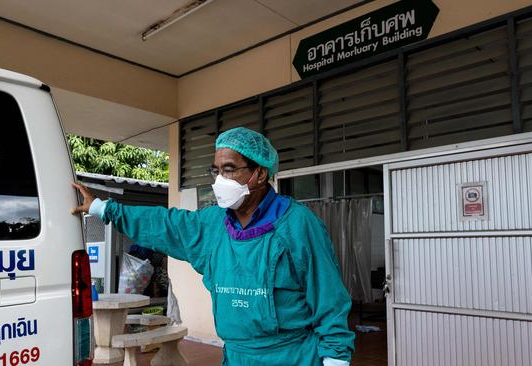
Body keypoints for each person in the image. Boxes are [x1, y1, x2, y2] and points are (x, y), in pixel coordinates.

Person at [72, 127, 355, 366]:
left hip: (292, 356)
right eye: (216, 170)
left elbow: (329, 299)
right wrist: (101, 207)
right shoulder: (212, 225)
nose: (220, 180)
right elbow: (163, 223)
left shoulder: (298, 225)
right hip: (236, 356)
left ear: (259, 172)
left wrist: (336, 359)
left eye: (230, 169)